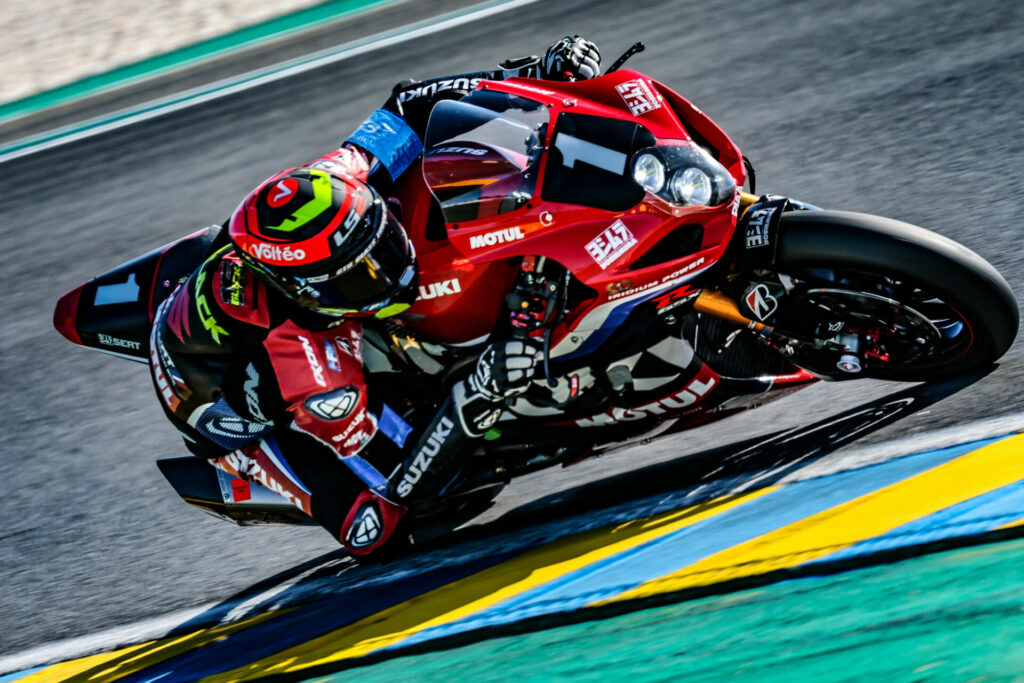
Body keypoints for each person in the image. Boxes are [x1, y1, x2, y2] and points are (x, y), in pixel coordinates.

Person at [148, 36, 602, 557]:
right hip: (223, 405)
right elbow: (399, 471)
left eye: (379, 242)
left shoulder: (343, 173)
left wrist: (533, 71)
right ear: (313, 295)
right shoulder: (309, 364)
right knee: (384, 528)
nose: (389, 270)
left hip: (237, 275)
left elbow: (411, 103)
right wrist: (483, 387)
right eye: (360, 276)